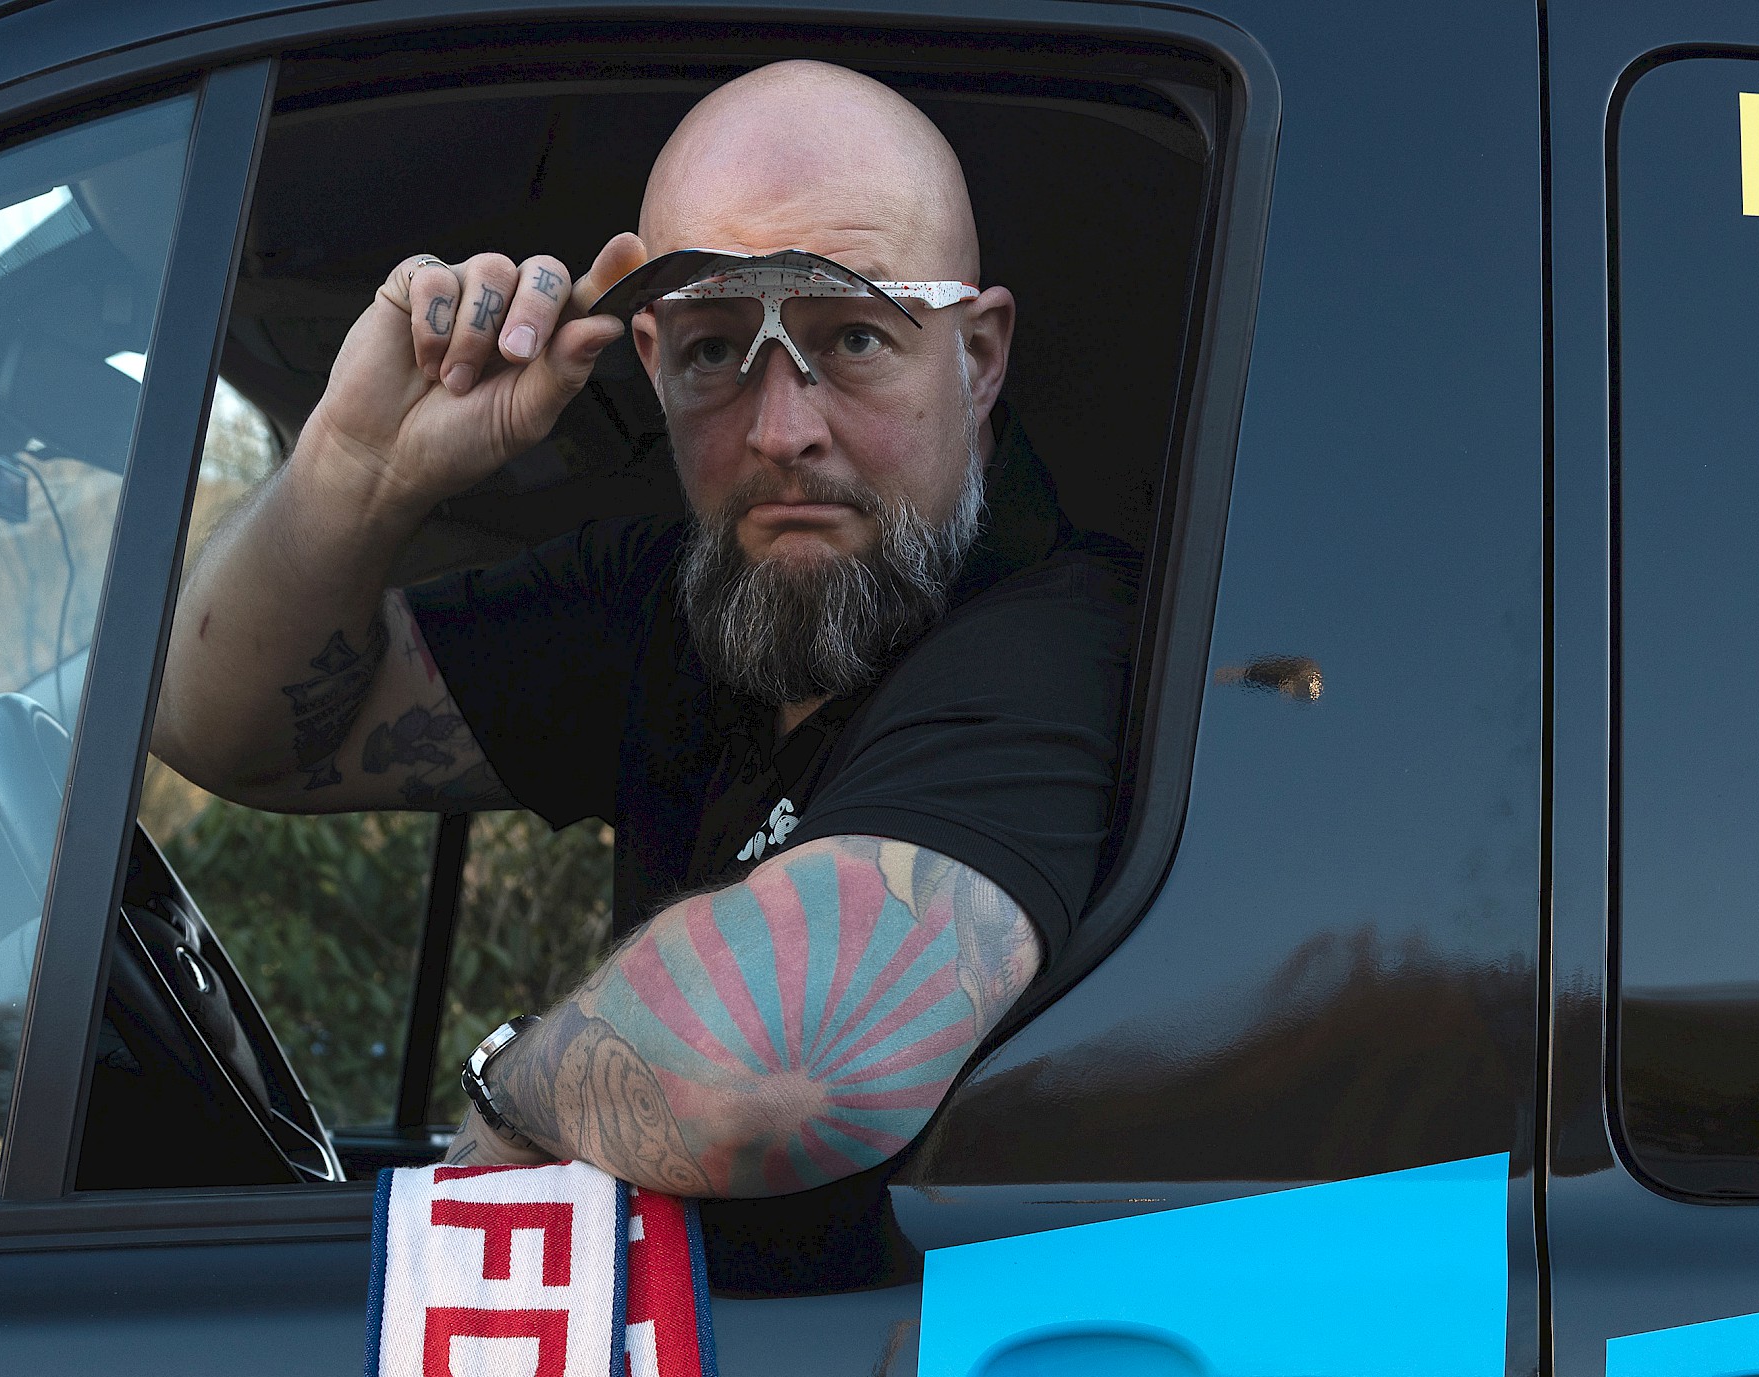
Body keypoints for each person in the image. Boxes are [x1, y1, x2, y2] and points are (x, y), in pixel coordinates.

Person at [152, 59, 1135, 1196]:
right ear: (657, 364)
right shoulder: (678, 596)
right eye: (716, 347)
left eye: (856, 338)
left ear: (978, 356)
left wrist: (509, 1086)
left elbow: (774, 1077)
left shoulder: (1063, 642)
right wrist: (355, 469)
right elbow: (228, 732)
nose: (781, 431)